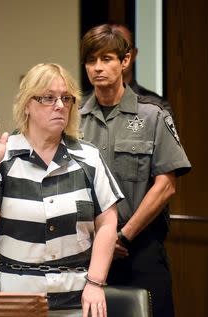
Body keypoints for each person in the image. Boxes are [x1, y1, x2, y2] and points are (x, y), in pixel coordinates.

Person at [0, 63, 124, 317]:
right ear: (27, 104)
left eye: (66, 98)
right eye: (48, 98)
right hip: (16, 299)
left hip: (78, 298)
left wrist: (95, 282)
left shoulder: (88, 157)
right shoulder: (2, 155)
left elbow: (107, 222)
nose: (60, 105)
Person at [79, 24, 191, 317]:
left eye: (106, 59)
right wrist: (100, 241)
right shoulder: (74, 121)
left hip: (139, 248)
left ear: (125, 61)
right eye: (91, 61)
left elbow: (166, 185)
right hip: (86, 252)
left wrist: (122, 236)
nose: (98, 68)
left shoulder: (152, 114)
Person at [110, 23, 174, 116]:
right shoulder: (82, 105)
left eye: (122, 47)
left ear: (133, 54)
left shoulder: (157, 107)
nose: (115, 56)